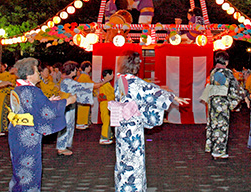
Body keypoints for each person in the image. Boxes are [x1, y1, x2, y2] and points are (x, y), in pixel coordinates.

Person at [110, 51, 189, 191]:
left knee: (122, 158)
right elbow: (151, 92)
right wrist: (172, 97)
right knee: (134, 159)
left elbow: (146, 90)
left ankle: (122, 186)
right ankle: (133, 188)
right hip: (132, 126)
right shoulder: (133, 81)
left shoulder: (120, 79)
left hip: (121, 124)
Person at [7, 57, 76, 192]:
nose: (39, 73)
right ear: (29, 75)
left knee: (19, 167)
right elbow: (47, 110)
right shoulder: (32, 91)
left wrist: (48, 101)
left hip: (17, 132)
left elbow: (33, 107)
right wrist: (67, 101)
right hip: (28, 135)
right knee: (29, 169)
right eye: (36, 71)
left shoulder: (19, 88)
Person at [56, 61, 112, 156]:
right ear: (72, 71)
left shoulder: (66, 81)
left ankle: (64, 145)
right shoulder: (68, 81)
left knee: (68, 126)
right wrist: (104, 82)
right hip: (67, 106)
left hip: (68, 105)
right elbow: (87, 86)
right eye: (76, 70)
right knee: (66, 126)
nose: (77, 72)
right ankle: (61, 147)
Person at [203, 51, 248, 159]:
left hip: (213, 101)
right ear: (226, 62)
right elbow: (236, 88)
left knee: (213, 124)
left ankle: (211, 146)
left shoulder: (213, 71)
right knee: (221, 125)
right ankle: (218, 151)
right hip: (222, 101)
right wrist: (244, 95)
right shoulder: (226, 72)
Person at [98, 69, 115, 144]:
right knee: (106, 121)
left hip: (107, 104)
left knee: (107, 120)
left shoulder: (105, 83)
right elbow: (104, 96)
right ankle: (104, 137)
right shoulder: (104, 84)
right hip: (105, 104)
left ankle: (108, 136)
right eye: (111, 74)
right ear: (107, 75)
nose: (112, 76)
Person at [76, 61, 94, 130]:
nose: (90, 68)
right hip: (84, 96)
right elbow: (91, 84)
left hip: (82, 96)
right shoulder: (85, 76)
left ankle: (81, 123)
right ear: (86, 68)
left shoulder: (82, 76)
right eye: (89, 67)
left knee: (82, 110)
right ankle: (81, 123)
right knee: (83, 110)